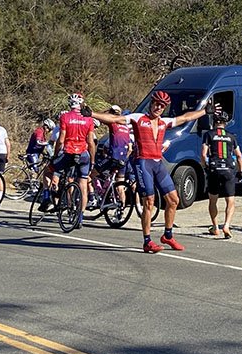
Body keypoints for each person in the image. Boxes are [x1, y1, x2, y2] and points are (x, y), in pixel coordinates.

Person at [91, 90, 215, 253]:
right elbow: (115, 119)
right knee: (149, 201)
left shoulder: (164, 122)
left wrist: (204, 111)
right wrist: (92, 114)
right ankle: (147, 241)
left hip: (157, 163)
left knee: (173, 200)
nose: (158, 108)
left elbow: (185, 118)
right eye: (156, 104)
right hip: (143, 162)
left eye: (162, 106)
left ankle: (168, 236)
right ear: (151, 103)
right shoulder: (138, 118)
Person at [47, 93, 96, 226]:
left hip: (69, 152)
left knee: (53, 169)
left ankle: (52, 194)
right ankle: (80, 216)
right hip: (84, 153)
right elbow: (91, 142)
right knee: (83, 185)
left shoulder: (65, 117)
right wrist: (92, 160)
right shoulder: (89, 119)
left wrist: (55, 155)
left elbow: (60, 140)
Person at [201, 111, 242, 239]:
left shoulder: (208, 134)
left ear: (214, 122)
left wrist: (205, 166)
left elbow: (203, 154)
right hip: (228, 170)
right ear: (226, 123)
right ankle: (226, 225)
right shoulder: (231, 136)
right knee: (230, 200)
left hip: (214, 169)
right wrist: (241, 171)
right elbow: (239, 156)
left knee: (213, 200)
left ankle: (215, 227)